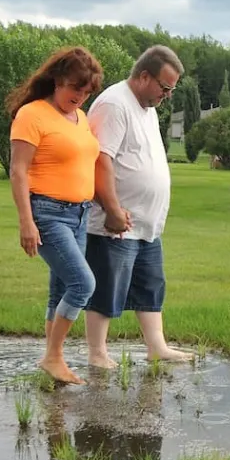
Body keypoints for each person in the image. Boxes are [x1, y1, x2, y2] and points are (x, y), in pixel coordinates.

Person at [84, 45, 193, 368]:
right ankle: (97, 352)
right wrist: (113, 210)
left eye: (171, 89)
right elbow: (99, 160)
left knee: (151, 285)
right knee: (106, 286)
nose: (168, 95)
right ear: (144, 76)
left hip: (146, 224)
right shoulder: (114, 104)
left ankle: (156, 346)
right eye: (165, 87)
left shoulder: (147, 108)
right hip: (114, 222)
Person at [8, 46, 104, 384]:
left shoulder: (80, 118)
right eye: (75, 87)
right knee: (83, 284)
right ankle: (53, 356)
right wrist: (26, 221)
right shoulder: (32, 115)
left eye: (87, 90)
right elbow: (18, 171)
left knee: (60, 289)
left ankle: (53, 359)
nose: (80, 95)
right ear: (57, 80)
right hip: (47, 213)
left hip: (79, 214)